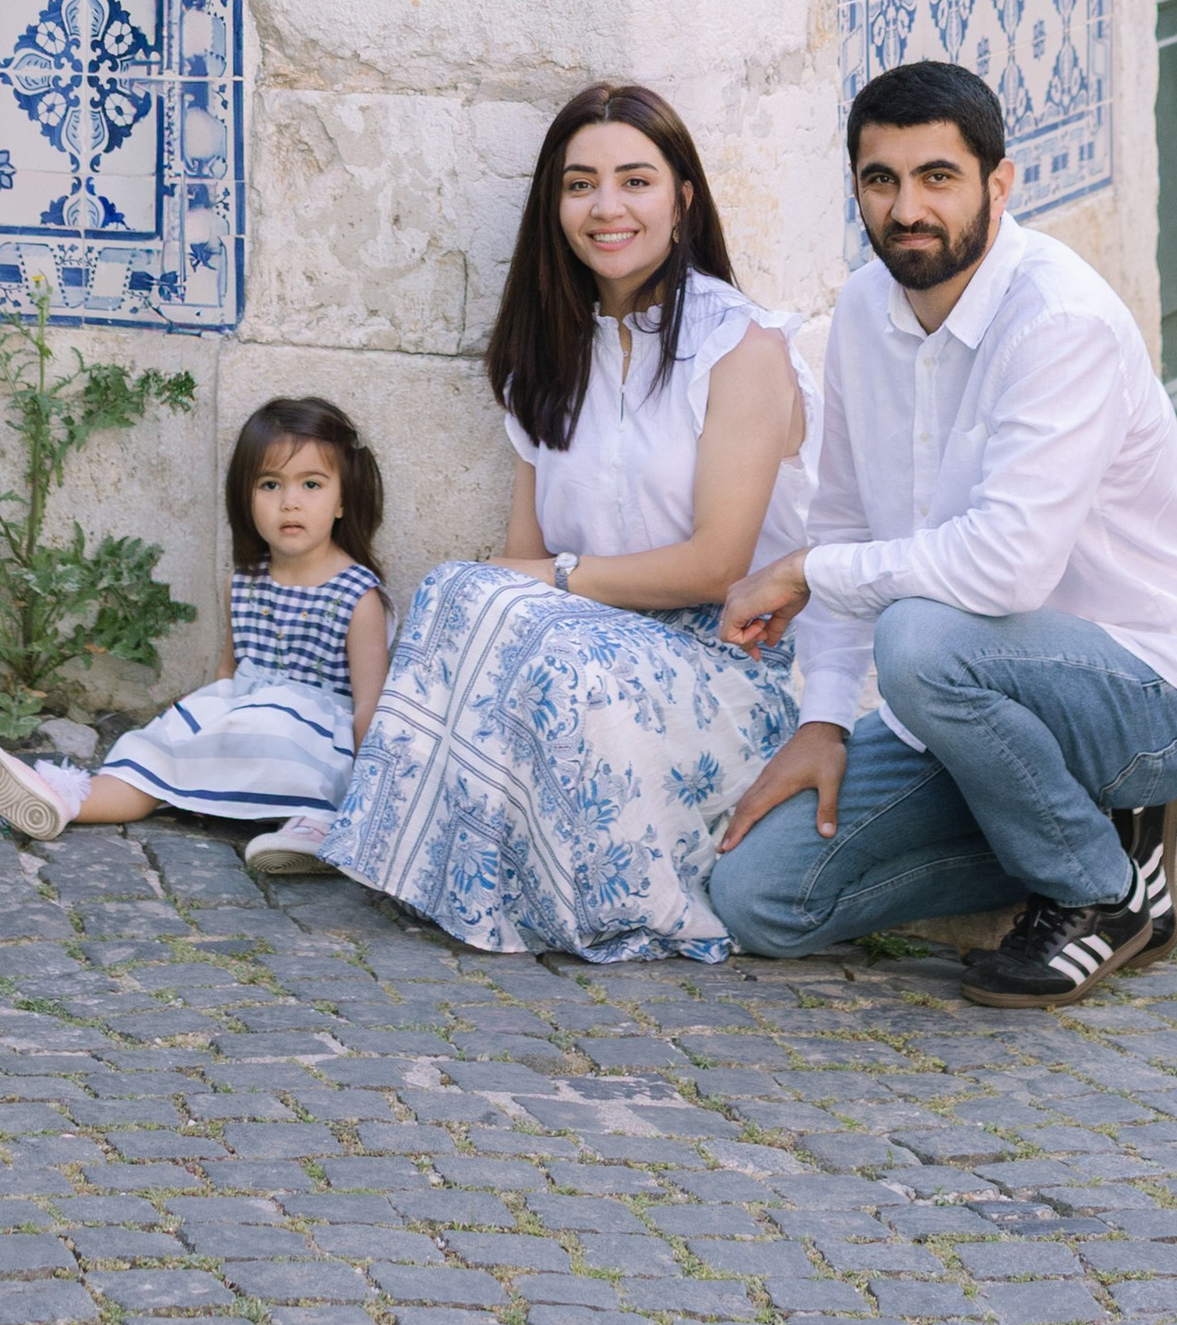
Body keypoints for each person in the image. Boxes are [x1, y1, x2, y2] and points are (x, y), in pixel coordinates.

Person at [708, 59, 1177, 1006]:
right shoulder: (865, 311)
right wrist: (825, 716)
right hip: (962, 709)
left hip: (1142, 698)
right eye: (881, 181)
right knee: (760, 897)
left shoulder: (1060, 322)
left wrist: (805, 572)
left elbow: (1005, 569)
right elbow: (841, 521)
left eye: (937, 178)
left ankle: (1103, 893)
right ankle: (1075, 834)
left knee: (919, 634)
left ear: (999, 183)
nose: (908, 209)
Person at [319, 81, 815, 959]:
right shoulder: (545, 359)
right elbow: (524, 558)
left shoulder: (742, 348)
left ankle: (587, 893)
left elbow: (716, 567)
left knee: (535, 633)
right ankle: (401, 844)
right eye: (580, 184)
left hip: (731, 663)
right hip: (591, 648)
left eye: (636, 180)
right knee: (457, 598)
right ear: (555, 205)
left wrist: (556, 582)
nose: (606, 207)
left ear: (682, 199)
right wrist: (532, 586)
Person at [0, 395, 388, 868]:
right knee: (156, 750)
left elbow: (370, 702)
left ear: (343, 499)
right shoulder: (244, 579)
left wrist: (366, 790)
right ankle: (65, 798)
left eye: (311, 484)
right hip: (244, 713)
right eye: (270, 484)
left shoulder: (357, 594)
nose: (290, 501)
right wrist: (191, 712)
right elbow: (229, 671)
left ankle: (317, 827)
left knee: (280, 740)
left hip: (311, 739)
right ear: (245, 497)